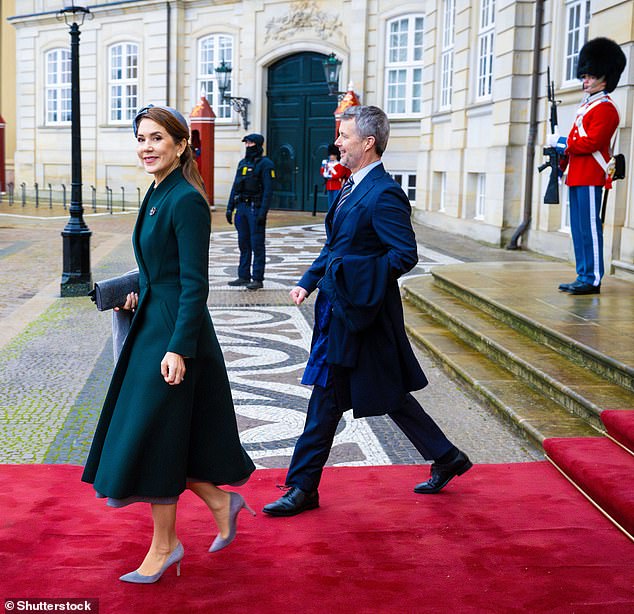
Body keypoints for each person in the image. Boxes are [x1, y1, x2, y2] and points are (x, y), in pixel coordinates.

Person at [263, 105, 471, 517]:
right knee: (387, 393)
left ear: (368, 142)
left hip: (362, 315)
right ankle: (446, 457)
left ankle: (303, 487)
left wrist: (352, 278)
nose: (337, 142)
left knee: (327, 398)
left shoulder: (385, 193)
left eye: (344, 136)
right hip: (341, 312)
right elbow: (336, 248)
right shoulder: (349, 188)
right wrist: (308, 280)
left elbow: (404, 255)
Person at [82, 105, 256, 583]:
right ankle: (221, 503)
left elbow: (195, 284)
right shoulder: (157, 191)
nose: (146, 147)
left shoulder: (186, 200)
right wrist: (140, 291)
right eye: (141, 138)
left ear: (180, 145)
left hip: (176, 336)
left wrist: (179, 348)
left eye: (156, 138)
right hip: (152, 325)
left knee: (155, 434)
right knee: (165, 432)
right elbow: (166, 270)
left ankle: (166, 546)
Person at [552, 37, 626, 295]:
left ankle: (593, 278)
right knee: (579, 228)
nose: (585, 81)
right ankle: (583, 273)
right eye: (584, 76)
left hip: (592, 174)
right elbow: (577, 141)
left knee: (591, 229)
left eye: (589, 76)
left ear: (604, 77)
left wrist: (565, 143)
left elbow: (592, 141)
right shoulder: (587, 106)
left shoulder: (606, 109)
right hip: (577, 174)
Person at [225, 133, 276, 290]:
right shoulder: (242, 163)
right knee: (243, 243)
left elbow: (268, 191)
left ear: (258, 145)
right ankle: (243, 275)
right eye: (246, 143)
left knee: (257, 244)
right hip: (241, 208)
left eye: (250, 143)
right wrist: (229, 208)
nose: (248, 146)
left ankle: (257, 278)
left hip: (255, 207)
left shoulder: (266, 164)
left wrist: (263, 213)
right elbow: (235, 186)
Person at [320, 143, 351, 208]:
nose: (331, 156)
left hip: (337, 186)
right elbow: (323, 173)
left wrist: (330, 173)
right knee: (330, 203)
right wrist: (323, 167)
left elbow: (338, 175)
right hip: (329, 186)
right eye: (330, 155)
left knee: (335, 203)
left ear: (336, 155)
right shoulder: (327, 164)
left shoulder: (340, 164)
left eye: (332, 155)